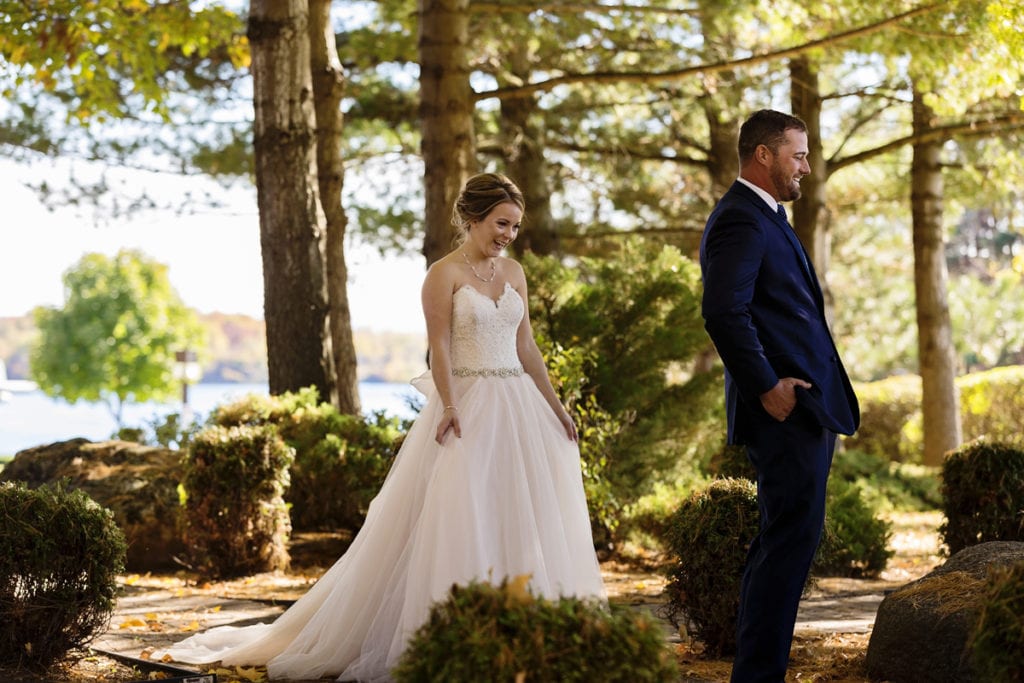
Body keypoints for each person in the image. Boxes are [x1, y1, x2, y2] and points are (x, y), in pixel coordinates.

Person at [156, 172, 606, 681]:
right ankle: (453, 634)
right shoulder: (442, 275)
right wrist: (450, 405)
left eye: (515, 226)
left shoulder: (515, 272)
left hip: (518, 406)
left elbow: (525, 346)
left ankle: (521, 630)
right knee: (466, 514)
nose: (509, 234)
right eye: (501, 223)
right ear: (473, 217)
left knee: (520, 512)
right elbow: (440, 348)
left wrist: (555, 406)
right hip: (468, 405)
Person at [699, 110, 859, 682]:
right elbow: (724, 311)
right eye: (798, 155)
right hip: (784, 412)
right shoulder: (741, 219)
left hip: (802, 409)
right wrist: (767, 386)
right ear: (763, 155)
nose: (806, 167)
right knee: (786, 546)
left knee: (783, 544)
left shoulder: (766, 215)